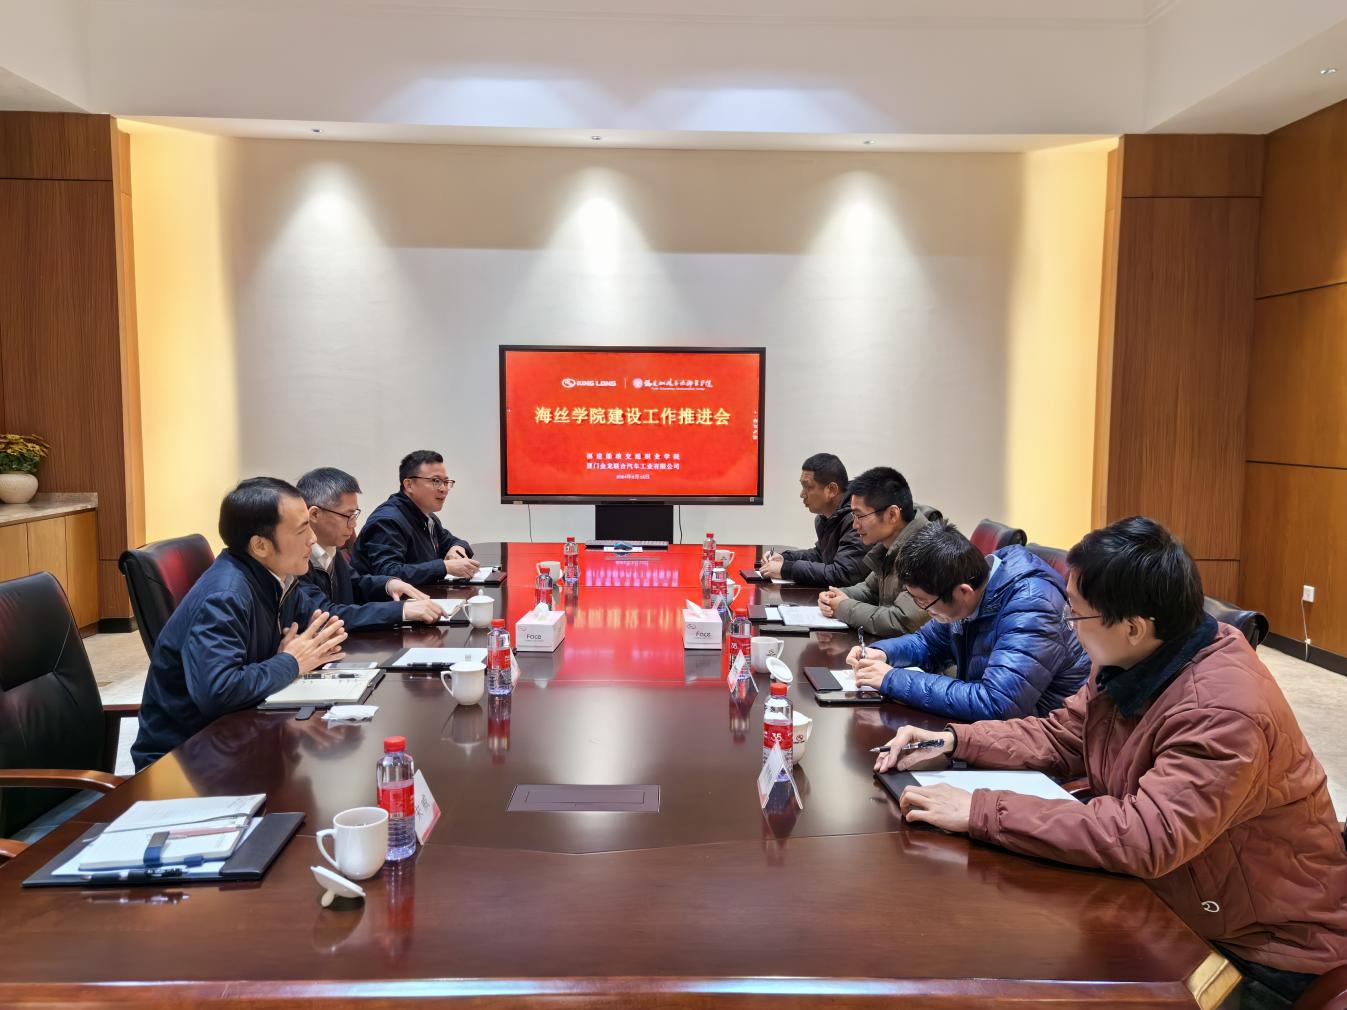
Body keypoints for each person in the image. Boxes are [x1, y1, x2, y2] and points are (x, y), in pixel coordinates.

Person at [876, 517, 1347, 1008]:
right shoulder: (1134, 659)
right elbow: (1062, 735)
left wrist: (980, 810)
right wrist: (955, 741)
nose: (1068, 626)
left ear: (1133, 626)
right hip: (1177, 893)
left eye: (1075, 615)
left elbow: (1144, 837)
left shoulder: (1222, 711)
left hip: (1258, 950)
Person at [132, 478, 348, 769]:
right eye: (301, 530)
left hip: (236, 735)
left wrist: (304, 648)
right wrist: (290, 661)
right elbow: (218, 691)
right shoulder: (224, 596)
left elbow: (319, 625)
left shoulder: (278, 577)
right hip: (185, 762)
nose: (312, 538)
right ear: (260, 545)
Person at [847, 520, 1089, 721]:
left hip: (1046, 737)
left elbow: (997, 703)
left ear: (963, 591)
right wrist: (882, 653)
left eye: (924, 602)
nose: (923, 609)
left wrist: (892, 679)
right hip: (999, 732)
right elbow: (928, 642)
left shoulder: (1032, 606)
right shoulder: (975, 582)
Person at [295, 467, 443, 629]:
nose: (354, 524)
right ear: (314, 514)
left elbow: (355, 584)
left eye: (355, 515)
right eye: (348, 516)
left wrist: (388, 584)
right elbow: (324, 615)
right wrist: (400, 611)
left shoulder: (330, 548)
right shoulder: (294, 560)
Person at [815, 466, 940, 637]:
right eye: (853, 516)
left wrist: (843, 607)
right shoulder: (889, 545)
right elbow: (870, 589)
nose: (855, 525)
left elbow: (901, 621)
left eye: (860, 516)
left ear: (892, 515)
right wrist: (838, 595)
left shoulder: (928, 552)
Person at [354, 450, 479, 586]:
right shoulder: (387, 520)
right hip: (387, 599)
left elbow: (451, 541)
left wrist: (456, 548)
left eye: (446, 482)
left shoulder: (427, 516)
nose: (444, 489)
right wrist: (444, 567)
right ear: (409, 485)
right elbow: (388, 573)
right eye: (436, 481)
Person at [758, 452, 867, 588]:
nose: (802, 494)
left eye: (808, 487)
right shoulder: (824, 518)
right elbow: (821, 555)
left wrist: (786, 569)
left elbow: (844, 573)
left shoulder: (856, 520)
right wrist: (785, 558)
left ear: (832, 489)